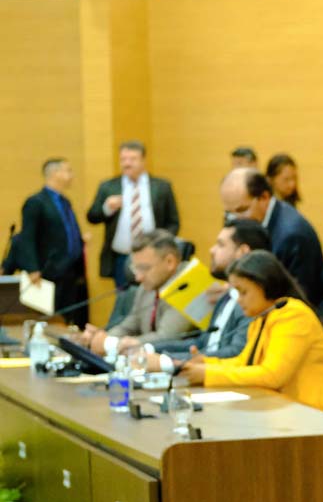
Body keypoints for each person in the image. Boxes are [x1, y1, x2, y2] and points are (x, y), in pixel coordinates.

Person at [180, 250, 323, 411]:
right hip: (285, 409)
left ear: (265, 285)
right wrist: (206, 363)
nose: (239, 299)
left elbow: (272, 376)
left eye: (243, 292)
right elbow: (245, 363)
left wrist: (208, 374)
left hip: (317, 414)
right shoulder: (263, 316)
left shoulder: (293, 316)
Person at [129, 219, 271, 372]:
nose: (212, 250)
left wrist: (168, 362)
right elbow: (203, 342)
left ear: (242, 252)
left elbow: (236, 352)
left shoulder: (255, 299)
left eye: (221, 245)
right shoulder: (225, 295)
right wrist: (148, 348)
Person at [219, 167, 323, 305]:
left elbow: (295, 298)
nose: (236, 219)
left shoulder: (291, 236)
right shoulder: (265, 223)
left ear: (264, 197)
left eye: (242, 210)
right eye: (229, 213)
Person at [80, 229, 192, 356]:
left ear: (169, 262)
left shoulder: (188, 285)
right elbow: (129, 325)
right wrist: (101, 338)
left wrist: (110, 343)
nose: (138, 277)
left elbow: (167, 337)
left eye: (144, 268)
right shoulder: (148, 286)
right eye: (135, 268)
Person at [87, 140, 180, 288]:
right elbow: (92, 217)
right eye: (123, 159)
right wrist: (107, 208)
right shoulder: (109, 186)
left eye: (132, 159)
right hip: (121, 257)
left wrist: (162, 244)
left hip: (153, 256)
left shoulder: (161, 186)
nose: (127, 163)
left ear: (143, 160)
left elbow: (173, 221)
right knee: (125, 298)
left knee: (151, 296)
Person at [18, 158, 88, 326]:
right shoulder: (36, 202)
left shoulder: (65, 202)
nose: (72, 175)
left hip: (70, 271)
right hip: (49, 271)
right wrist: (32, 268)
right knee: (50, 317)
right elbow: (26, 237)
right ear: (55, 173)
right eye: (68, 170)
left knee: (68, 317)